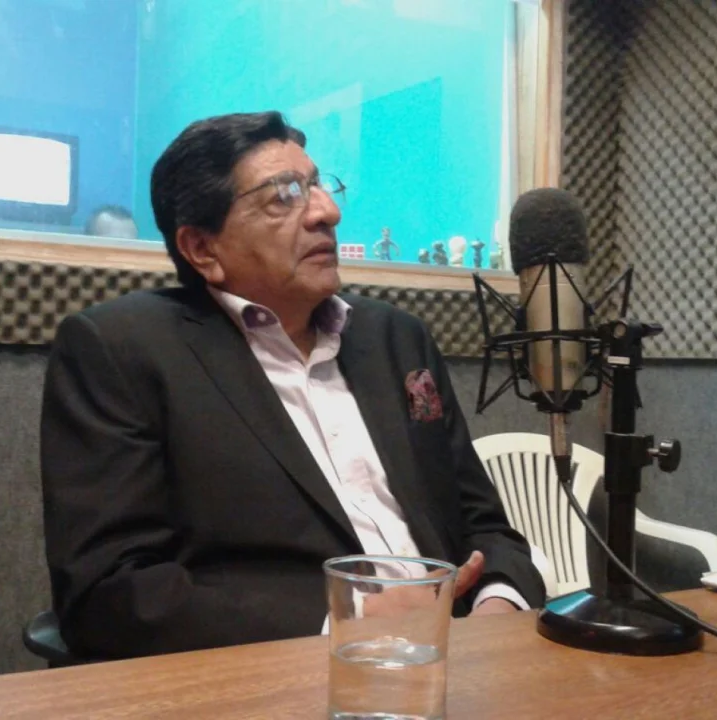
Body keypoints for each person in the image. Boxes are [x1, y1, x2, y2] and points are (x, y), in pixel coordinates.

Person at [40, 111, 544, 660]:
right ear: (202, 249)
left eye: (319, 185)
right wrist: (350, 619)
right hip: (282, 674)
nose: (327, 211)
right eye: (284, 196)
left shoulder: (397, 339)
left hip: (457, 657)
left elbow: (484, 526)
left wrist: (495, 609)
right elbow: (109, 593)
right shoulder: (122, 351)